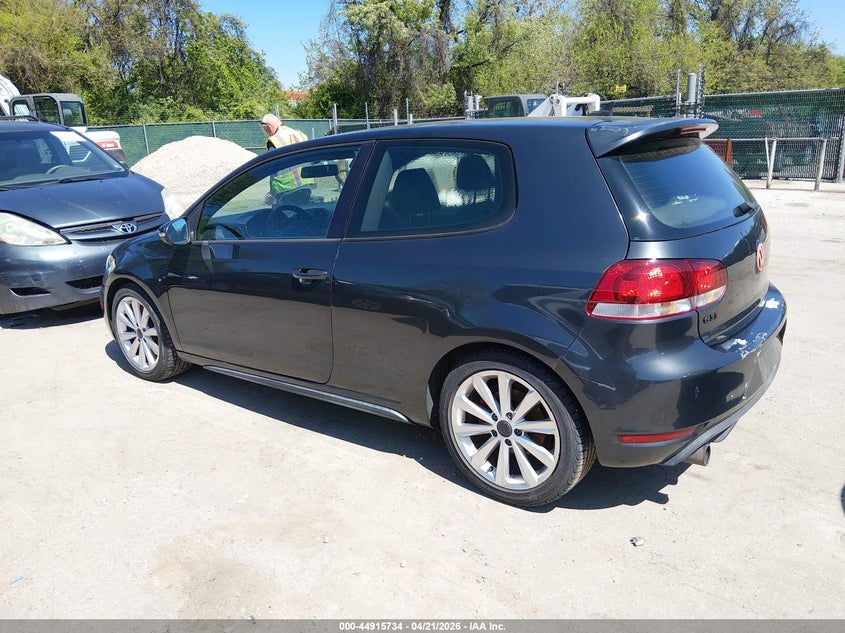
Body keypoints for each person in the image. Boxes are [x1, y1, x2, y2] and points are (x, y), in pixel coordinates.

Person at [260, 113, 312, 203]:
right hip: (306, 184)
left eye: (265, 129)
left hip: (286, 188)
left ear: (268, 126)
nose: (266, 133)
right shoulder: (300, 134)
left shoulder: (275, 140)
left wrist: (273, 193)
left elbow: (271, 165)